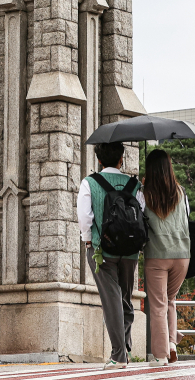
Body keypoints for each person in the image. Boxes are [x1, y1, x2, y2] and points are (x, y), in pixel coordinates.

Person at [77, 142, 144, 370]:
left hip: (101, 251)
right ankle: (125, 346)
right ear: (121, 159)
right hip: (130, 251)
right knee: (125, 297)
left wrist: (89, 238)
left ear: (98, 160)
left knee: (111, 299)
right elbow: (141, 214)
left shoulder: (90, 183)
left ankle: (118, 355)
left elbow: (85, 217)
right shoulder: (135, 184)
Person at [140, 149, 190, 367]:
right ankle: (171, 344)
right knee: (170, 300)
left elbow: (138, 218)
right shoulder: (180, 192)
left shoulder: (144, 193)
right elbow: (186, 217)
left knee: (158, 305)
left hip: (157, 255)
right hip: (182, 256)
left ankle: (160, 356)